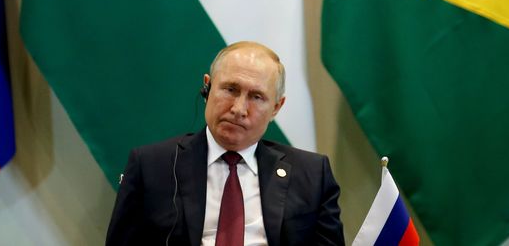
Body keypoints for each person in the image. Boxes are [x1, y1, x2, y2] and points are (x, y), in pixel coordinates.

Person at [106, 41, 344, 245]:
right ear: (207, 87)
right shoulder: (150, 166)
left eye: (256, 97)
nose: (239, 109)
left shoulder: (312, 174)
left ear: (276, 107)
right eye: (230, 89)